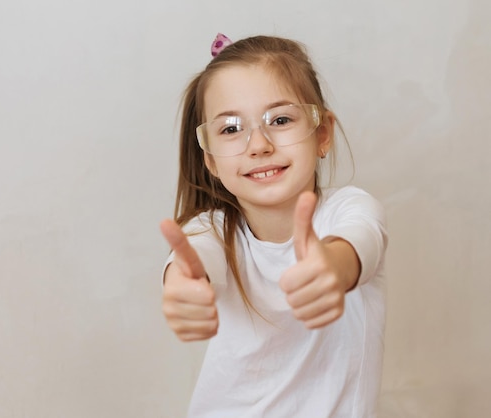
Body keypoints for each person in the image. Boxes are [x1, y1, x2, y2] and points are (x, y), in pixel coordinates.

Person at [159, 33, 388, 417]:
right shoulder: (211, 231)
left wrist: (331, 267)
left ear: (322, 133)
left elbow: (356, 243)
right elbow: (194, 259)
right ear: (211, 161)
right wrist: (183, 285)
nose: (258, 144)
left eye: (280, 120)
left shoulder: (351, 208)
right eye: (231, 129)